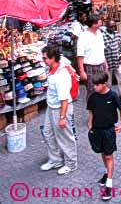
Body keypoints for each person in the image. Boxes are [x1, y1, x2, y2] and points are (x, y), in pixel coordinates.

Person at [87, 72, 121, 201]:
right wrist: (90, 124)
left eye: (97, 85)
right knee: (103, 153)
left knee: (109, 155)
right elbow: (91, 111)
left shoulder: (113, 95)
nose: (95, 87)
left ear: (104, 84)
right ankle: (107, 173)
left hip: (109, 130)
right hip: (96, 131)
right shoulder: (93, 97)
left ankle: (109, 184)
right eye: (94, 85)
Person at [40, 44, 77, 175]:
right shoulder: (52, 68)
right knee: (48, 133)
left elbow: (64, 100)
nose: (43, 60)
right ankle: (55, 160)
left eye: (45, 58)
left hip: (61, 109)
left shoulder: (61, 75)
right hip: (52, 107)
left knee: (65, 137)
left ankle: (71, 163)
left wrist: (62, 118)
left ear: (53, 58)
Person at [77, 13, 107, 99]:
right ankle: (92, 111)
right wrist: (82, 71)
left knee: (102, 88)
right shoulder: (83, 36)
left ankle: (101, 108)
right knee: (91, 90)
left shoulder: (99, 32)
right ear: (94, 24)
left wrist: (105, 62)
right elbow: (80, 56)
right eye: (99, 21)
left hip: (101, 65)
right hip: (90, 67)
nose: (101, 23)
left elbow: (101, 49)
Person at [101, 20, 121, 104]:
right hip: (108, 61)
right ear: (107, 27)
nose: (113, 28)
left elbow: (120, 45)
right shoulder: (102, 35)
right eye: (111, 26)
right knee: (108, 81)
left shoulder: (117, 34)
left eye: (114, 26)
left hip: (118, 60)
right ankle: (107, 96)